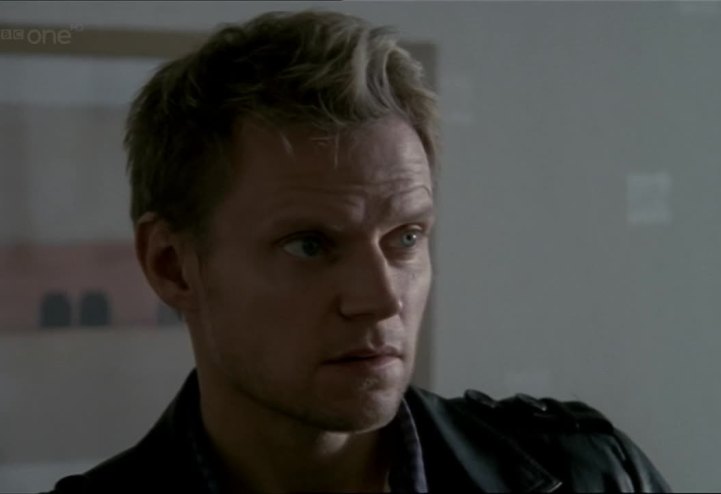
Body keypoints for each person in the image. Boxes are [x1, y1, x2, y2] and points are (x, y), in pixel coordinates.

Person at [49, 10, 670, 493]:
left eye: (406, 238)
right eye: (309, 245)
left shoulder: (588, 474)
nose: (380, 299)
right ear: (171, 266)